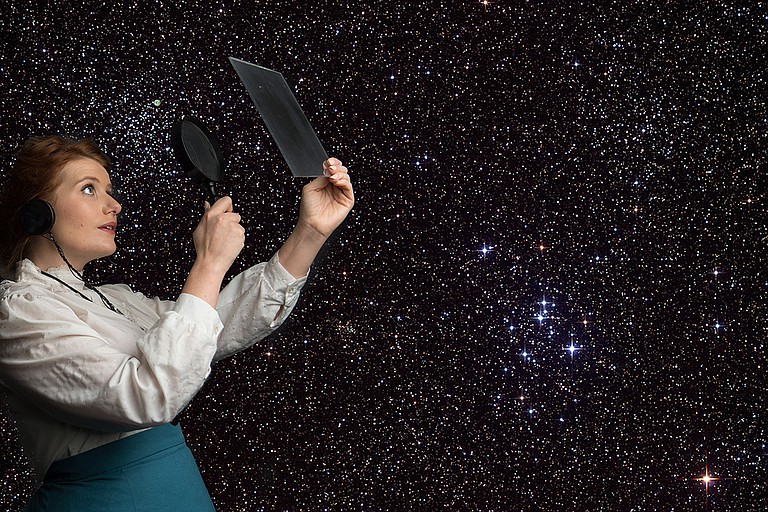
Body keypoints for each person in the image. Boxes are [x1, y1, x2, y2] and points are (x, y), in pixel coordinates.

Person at [0, 135, 354, 511]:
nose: (115, 205)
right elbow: (149, 395)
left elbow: (212, 325)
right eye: (89, 189)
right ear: (37, 212)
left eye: (109, 190)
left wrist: (311, 231)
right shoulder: (17, 312)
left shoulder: (113, 299)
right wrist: (209, 264)